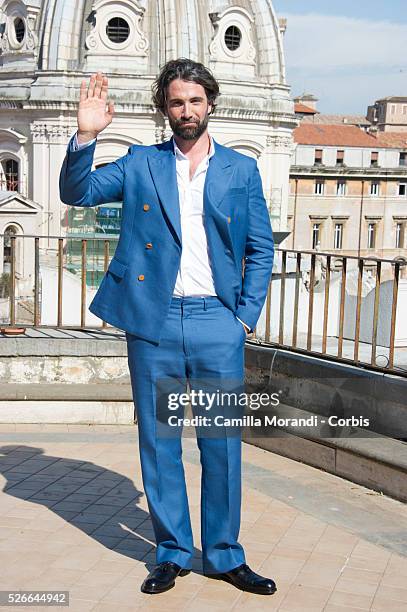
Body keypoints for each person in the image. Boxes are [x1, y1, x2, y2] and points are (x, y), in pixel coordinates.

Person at [59, 58, 275, 596]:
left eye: (196, 101)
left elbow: (260, 247)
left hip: (216, 323)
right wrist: (85, 136)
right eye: (177, 102)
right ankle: (172, 552)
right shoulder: (139, 164)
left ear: (211, 105)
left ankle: (224, 554)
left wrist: (243, 318)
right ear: (164, 109)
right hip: (154, 326)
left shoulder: (240, 170)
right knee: (160, 441)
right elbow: (77, 193)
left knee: (221, 443)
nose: (187, 110)